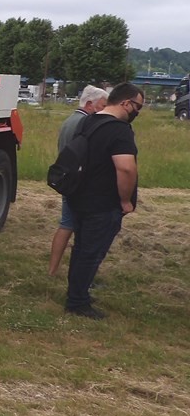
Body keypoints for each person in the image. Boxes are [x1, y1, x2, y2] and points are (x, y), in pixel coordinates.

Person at [64, 82, 143, 319]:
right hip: (103, 202)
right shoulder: (120, 130)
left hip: (80, 196)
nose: (138, 112)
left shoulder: (89, 121)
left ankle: (77, 293)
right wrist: (126, 200)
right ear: (125, 103)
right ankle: (77, 302)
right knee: (92, 253)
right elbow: (126, 169)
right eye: (138, 107)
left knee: (80, 250)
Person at [47, 86, 109, 277]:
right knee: (80, 230)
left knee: (66, 225)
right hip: (80, 185)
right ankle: (81, 276)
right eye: (103, 106)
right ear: (90, 104)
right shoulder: (86, 123)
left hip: (67, 180)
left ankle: (52, 270)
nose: (105, 110)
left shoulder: (69, 121)